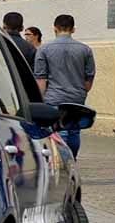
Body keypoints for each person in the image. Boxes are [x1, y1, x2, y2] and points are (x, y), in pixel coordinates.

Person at [33, 14, 96, 158]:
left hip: (54, 97)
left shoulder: (44, 49)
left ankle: (63, 161)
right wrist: (83, 91)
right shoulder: (85, 50)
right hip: (76, 96)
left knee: (59, 131)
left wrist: (41, 99)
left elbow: (41, 78)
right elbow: (89, 76)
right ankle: (72, 159)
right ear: (73, 29)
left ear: (54, 28)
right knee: (74, 131)